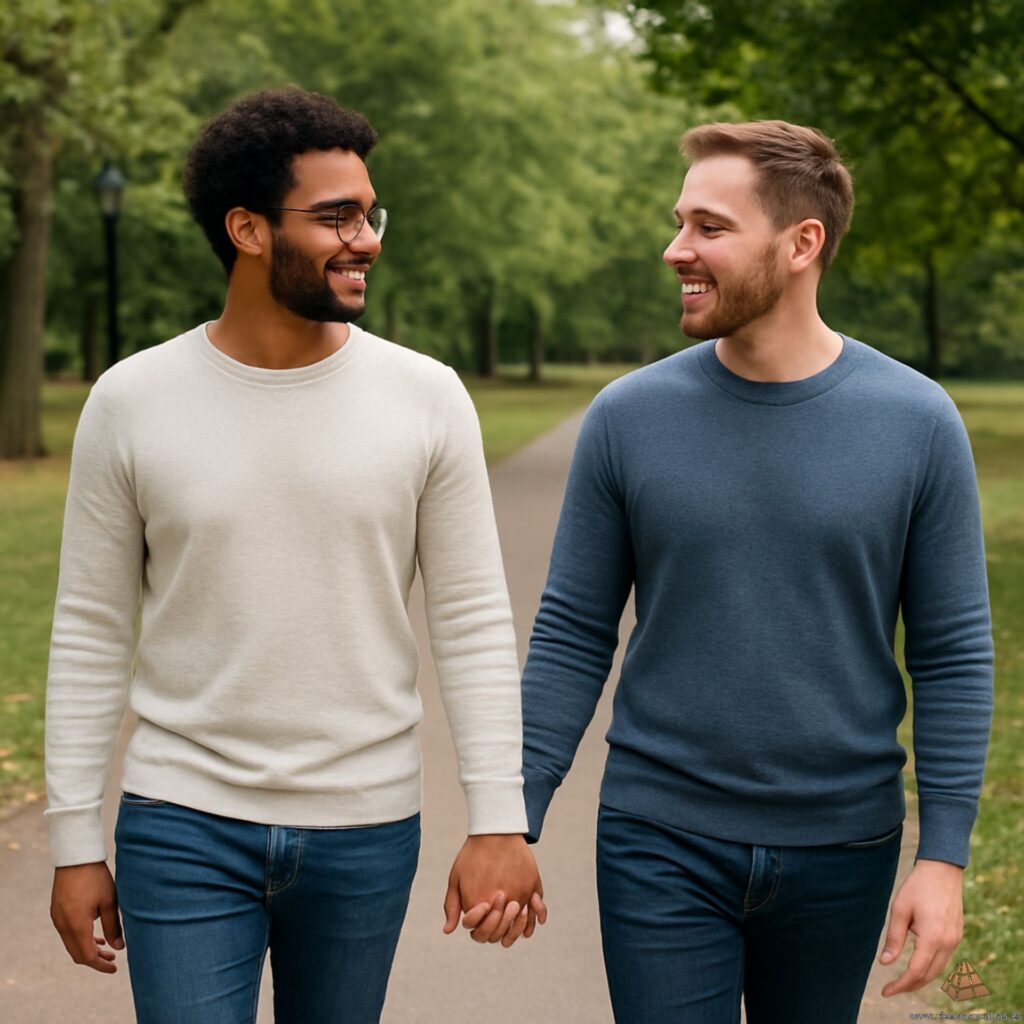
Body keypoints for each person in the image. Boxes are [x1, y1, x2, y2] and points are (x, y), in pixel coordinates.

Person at [45, 87, 544, 1024]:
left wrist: (498, 817)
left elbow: (473, 622)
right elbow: (90, 627)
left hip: (365, 825)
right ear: (248, 229)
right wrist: (74, 839)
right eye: (335, 217)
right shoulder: (130, 401)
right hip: (181, 819)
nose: (366, 239)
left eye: (369, 212)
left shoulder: (426, 398)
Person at [520, 120, 992, 1023]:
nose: (676, 249)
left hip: (845, 845)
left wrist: (945, 857)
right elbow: (574, 631)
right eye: (679, 222)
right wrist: (518, 812)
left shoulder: (917, 422)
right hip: (658, 839)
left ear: (802, 242)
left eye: (710, 227)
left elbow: (952, 651)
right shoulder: (628, 417)